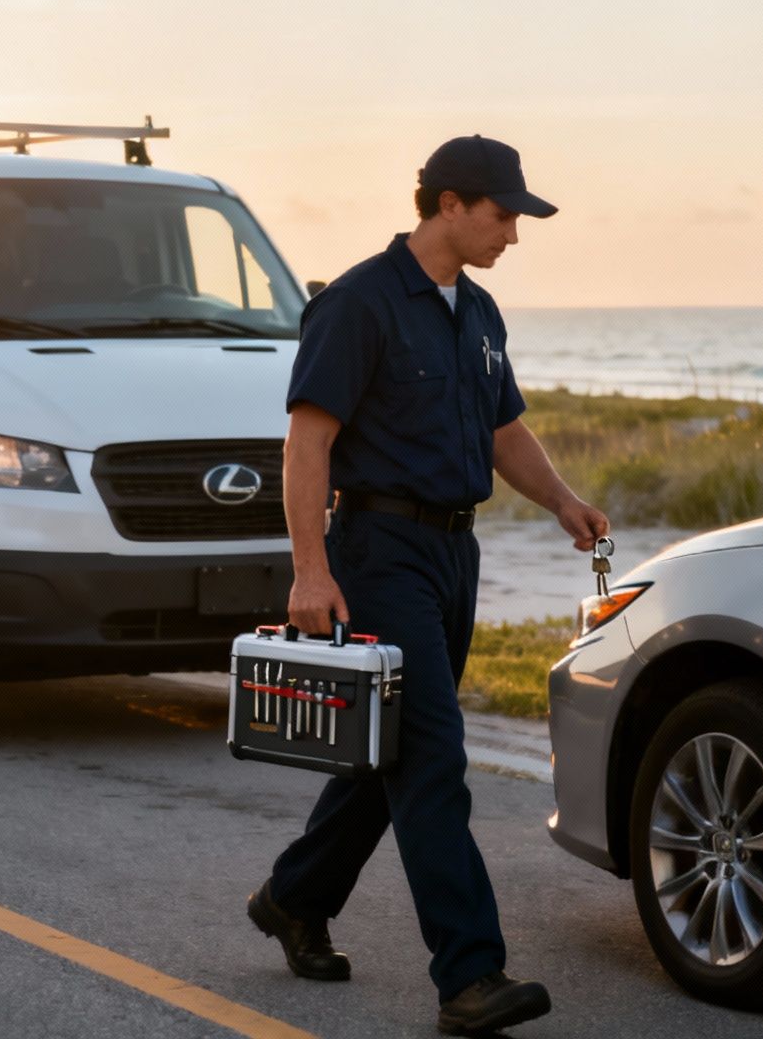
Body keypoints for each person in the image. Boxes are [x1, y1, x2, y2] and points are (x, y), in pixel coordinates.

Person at [246, 135, 609, 1035]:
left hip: (455, 555)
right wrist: (310, 570)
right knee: (435, 754)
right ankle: (469, 974)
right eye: (502, 215)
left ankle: (295, 898)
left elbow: (503, 431)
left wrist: (563, 500)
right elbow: (308, 442)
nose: (513, 235)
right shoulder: (360, 303)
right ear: (448, 203)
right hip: (379, 551)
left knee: (391, 750)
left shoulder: (479, 313)